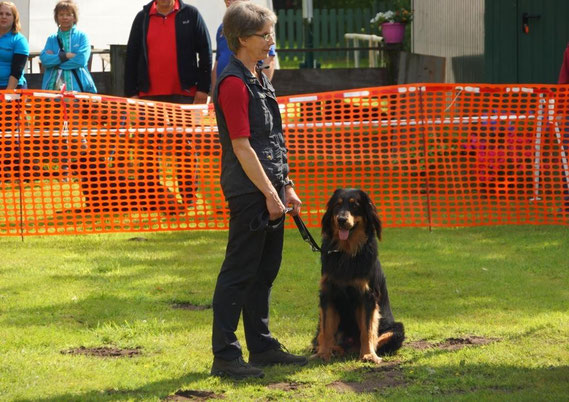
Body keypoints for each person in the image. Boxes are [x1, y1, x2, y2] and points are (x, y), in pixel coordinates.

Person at [210, 1, 307, 380]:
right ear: (241, 39)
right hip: (250, 193)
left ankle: (262, 346)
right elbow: (242, 146)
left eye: (271, 33)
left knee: (264, 272)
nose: (271, 41)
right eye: (264, 35)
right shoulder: (233, 82)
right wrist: (268, 193)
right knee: (239, 272)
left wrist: (287, 186)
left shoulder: (259, 76)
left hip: (270, 189)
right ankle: (226, 356)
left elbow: (273, 140)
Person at [125, 0, 212, 210]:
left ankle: (189, 196)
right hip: (148, 96)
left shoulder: (192, 14)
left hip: (184, 94)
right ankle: (150, 196)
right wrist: (132, 94)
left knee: (185, 147)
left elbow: (206, 53)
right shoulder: (142, 17)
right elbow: (131, 56)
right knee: (147, 147)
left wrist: (203, 89)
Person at [211, 0, 276, 91]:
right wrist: (214, 91)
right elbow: (218, 61)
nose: (228, 1)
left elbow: (269, 60)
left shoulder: (257, 23)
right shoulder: (222, 28)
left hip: (247, 87)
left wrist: (261, 90)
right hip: (226, 87)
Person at [39, 0, 96, 93]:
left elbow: (81, 60)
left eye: (68, 14)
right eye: (61, 14)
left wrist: (55, 63)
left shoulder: (82, 37)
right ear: (56, 18)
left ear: (74, 17)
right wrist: (66, 56)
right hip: (52, 91)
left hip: (78, 90)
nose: (65, 17)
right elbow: (45, 60)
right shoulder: (51, 39)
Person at [0, 1, 28, 90]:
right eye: (0, 13)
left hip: (13, 89)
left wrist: (7, 95)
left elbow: (17, 71)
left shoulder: (20, 40)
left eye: (8, 14)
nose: (3, 17)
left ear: (14, 18)